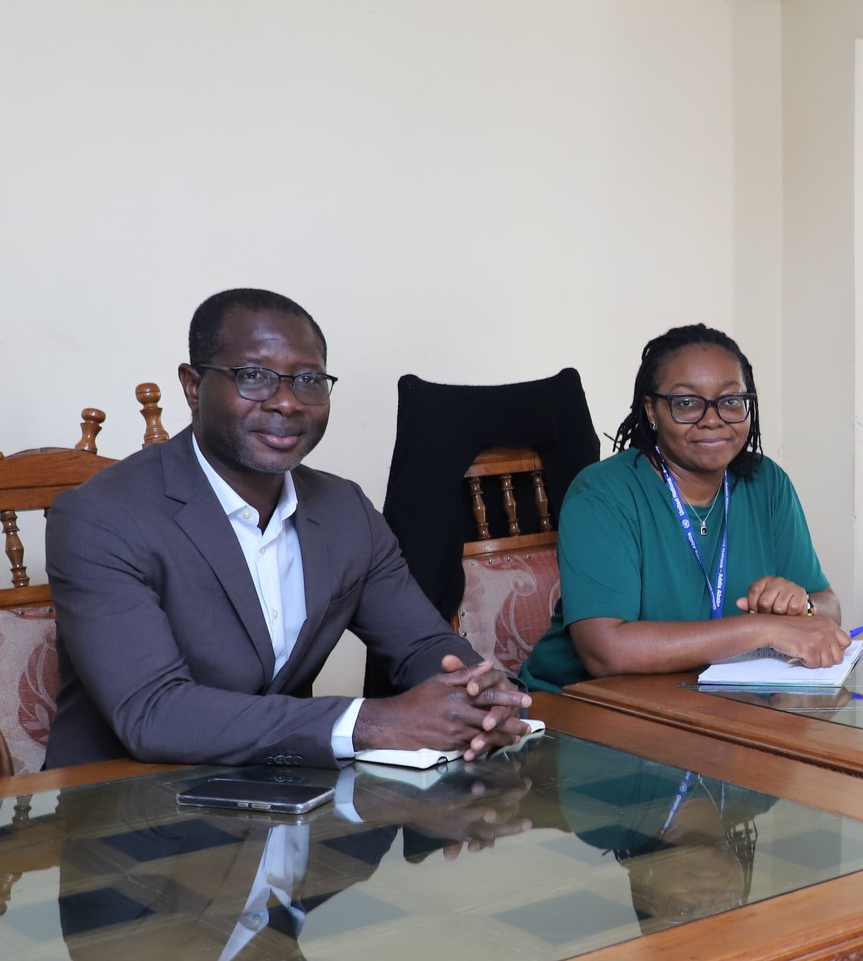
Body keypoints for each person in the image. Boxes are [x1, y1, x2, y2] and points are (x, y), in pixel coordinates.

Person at [45, 289, 531, 768]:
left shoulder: (345, 509)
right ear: (193, 385)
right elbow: (154, 713)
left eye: (308, 380)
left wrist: (480, 696)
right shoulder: (101, 517)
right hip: (125, 816)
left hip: (287, 803)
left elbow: (423, 644)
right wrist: (375, 722)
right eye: (253, 376)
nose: (286, 402)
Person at [520, 324, 845, 688]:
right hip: (583, 708)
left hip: (715, 703)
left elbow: (829, 607)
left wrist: (803, 607)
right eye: (687, 403)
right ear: (651, 410)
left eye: (731, 400)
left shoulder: (767, 483)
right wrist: (764, 628)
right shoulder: (602, 494)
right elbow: (605, 652)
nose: (712, 419)